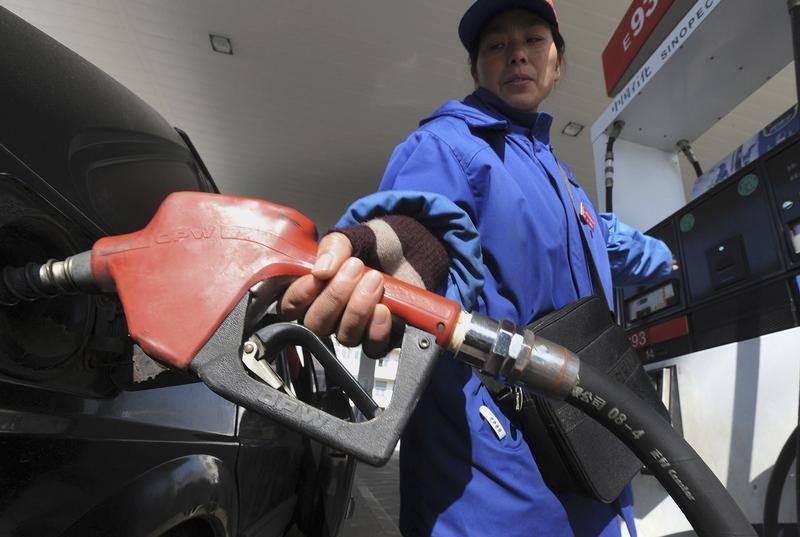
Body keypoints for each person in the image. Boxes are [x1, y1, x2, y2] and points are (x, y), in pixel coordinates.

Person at [280, 1, 674, 535]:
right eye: (496, 45)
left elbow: (612, 242)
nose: (517, 55)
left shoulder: (563, 183)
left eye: (533, 39)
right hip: (495, 473)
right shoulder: (449, 146)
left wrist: (671, 256)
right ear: (477, 69)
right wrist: (411, 248)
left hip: (590, 453)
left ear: (557, 60)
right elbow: (426, 222)